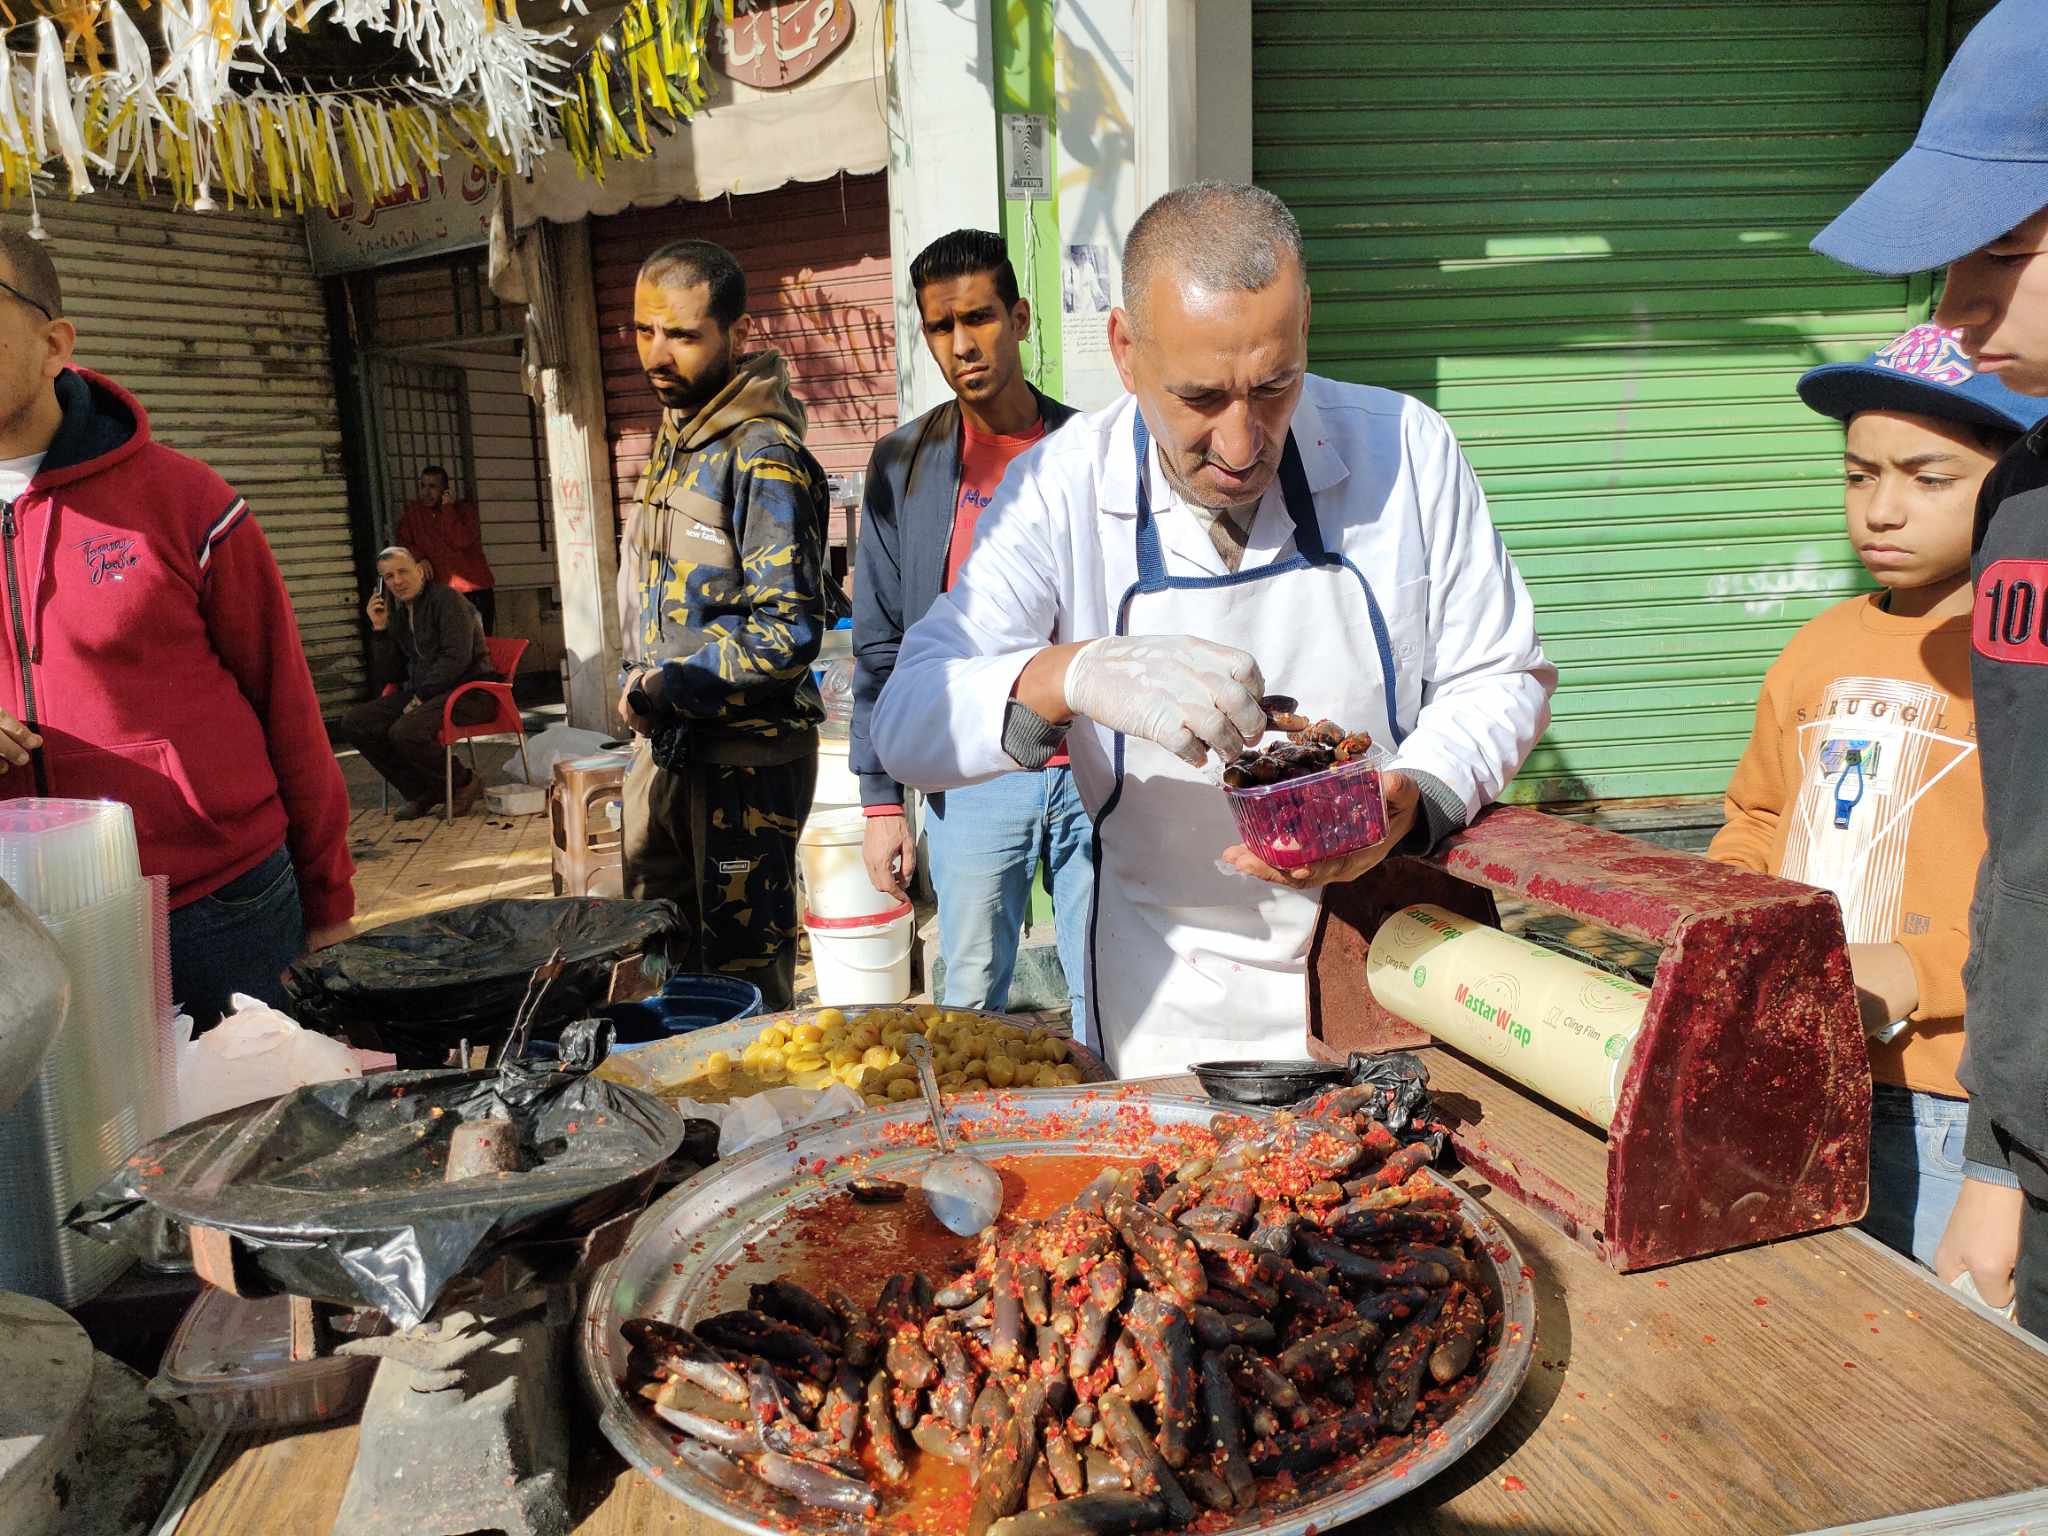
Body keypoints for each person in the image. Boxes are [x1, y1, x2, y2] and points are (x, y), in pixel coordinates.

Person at [871, 183, 1554, 1076]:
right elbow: (908, 717)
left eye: (1273, 388)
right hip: (1168, 988)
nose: (1240, 445)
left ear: (1305, 323)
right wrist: (1069, 676)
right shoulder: (1058, 487)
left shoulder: (1408, 450)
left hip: (1392, 958)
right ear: (1125, 350)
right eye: (1199, 397)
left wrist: (1418, 792)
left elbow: (1502, 673)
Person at [1707, 325, 2045, 1310]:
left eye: (1925, 477)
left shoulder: (2016, 654)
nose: (1879, 508)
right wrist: (1734, 935)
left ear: (2008, 479)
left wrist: (1911, 973)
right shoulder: (1815, 646)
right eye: (1858, 475)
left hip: (1952, 1110)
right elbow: (1755, 814)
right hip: (1799, 1084)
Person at [1808, 0, 2048, 1336]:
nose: (1955, 315)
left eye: (2002, 256)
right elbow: (2034, 869)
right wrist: (2014, 1169)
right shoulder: (2030, 515)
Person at [0, 227, 354, 1030]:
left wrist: (329, 899)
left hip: (214, 907)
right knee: (67, 1157)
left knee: (250, 1142)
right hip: (19, 929)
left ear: (55, 342)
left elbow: (286, 702)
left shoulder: (186, 502)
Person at [852, 230, 1091, 1029]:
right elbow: (881, 645)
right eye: (939, 328)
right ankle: (970, 1149)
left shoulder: (1089, 451)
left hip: (1095, 768)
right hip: (974, 771)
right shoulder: (903, 467)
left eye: (980, 318)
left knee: (1110, 987)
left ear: (1019, 318)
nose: (962, 345)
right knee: (968, 1003)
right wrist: (881, 800)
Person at [613, 239, 831, 1012]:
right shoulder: (679, 439)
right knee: (660, 962)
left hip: (744, 767)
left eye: (681, 334)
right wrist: (640, 687)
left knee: (742, 988)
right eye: (642, 332)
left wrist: (668, 682)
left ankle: (756, 1130)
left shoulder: (765, 456)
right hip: (670, 751)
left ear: (734, 333)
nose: (656, 354)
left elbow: (789, 631)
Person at [336, 545, 496, 821]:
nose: (397, 581)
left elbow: (455, 659)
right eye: (388, 577)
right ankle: (423, 790)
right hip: (427, 693)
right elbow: (391, 674)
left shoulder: (447, 600)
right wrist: (380, 630)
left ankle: (464, 782)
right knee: (355, 721)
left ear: (420, 571)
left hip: (470, 692)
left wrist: (419, 697)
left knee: (405, 730)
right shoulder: (399, 613)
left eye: (403, 572)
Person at [395, 465, 497, 632]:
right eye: (423, 486)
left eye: (433, 487)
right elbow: (403, 541)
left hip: (473, 590)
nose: (426, 492)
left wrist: (448, 509)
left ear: (445, 490)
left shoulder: (464, 511)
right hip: (440, 591)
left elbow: (461, 540)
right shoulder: (414, 513)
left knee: (480, 643)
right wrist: (419, 558)